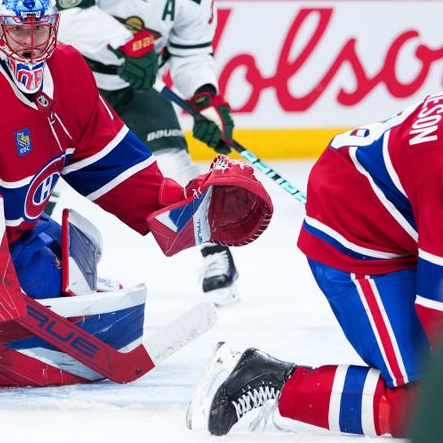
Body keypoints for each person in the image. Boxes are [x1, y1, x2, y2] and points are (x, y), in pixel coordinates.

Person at [0, 0, 272, 390]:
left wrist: (172, 203)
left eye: (39, 28)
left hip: (10, 229)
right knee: (49, 277)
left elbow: (110, 161)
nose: (29, 41)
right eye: (18, 29)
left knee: (70, 252)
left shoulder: (68, 70)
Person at [188, 93, 443, 438]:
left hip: (400, 218)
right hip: (357, 241)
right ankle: (272, 382)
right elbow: (437, 308)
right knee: (428, 406)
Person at [55, 0, 243, 305]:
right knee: (44, 169)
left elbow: (193, 55)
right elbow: (70, 13)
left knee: (176, 166)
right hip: (75, 81)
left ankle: (216, 255)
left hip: (135, 87)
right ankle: (22, 250)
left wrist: (206, 101)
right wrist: (128, 42)